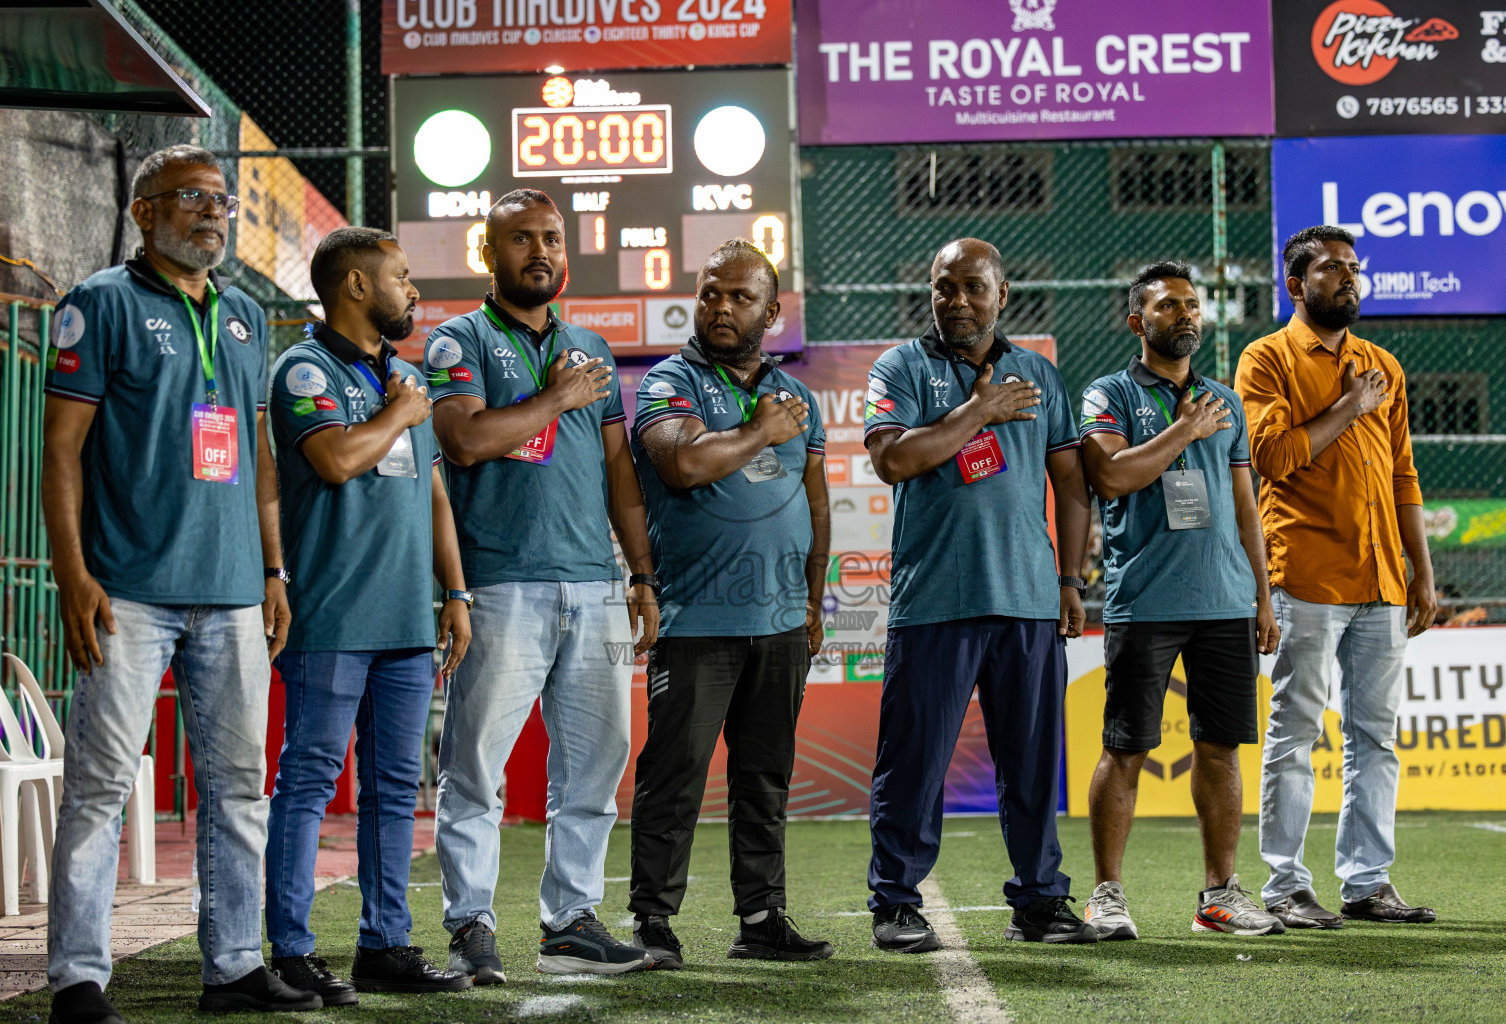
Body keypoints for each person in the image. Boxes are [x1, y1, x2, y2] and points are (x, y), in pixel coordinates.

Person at [42, 145, 318, 1022]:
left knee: (240, 786)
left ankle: (234, 968)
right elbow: (60, 450)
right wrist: (72, 571)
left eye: (222, 200)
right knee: (100, 788)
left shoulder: (243, 315)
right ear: (143, 211)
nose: (211, 212)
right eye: (191, 198)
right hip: (125, 588)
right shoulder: (99, 304)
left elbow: (261, 461)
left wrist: (273, 570)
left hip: (236, 593)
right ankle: (78, 980)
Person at [426, 188, 660, 978]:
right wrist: (556, 396)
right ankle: (470, 926)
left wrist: (641, 572)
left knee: (596, 763)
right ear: (487, 253)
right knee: (475, 768)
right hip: (498, 585)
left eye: (552, 240)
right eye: (521, 239)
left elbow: (620, 470)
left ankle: (571, 920)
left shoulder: (590, 345)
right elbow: (462, 441)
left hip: (594, 585)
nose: (540, 253)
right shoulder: (458, 340)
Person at [862, 237, 1094, 951]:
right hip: (934, 598)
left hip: (1027, 600)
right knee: (914, 763)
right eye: (943, 286)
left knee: (1031, 765)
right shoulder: (900, 365)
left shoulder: (1040, 375)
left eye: (972, 287)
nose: (956, 300)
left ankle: (1041, 902)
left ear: (1001, 295)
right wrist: (978, 413)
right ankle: (896, 903)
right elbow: (894, 458)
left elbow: (1072, 484)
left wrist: (1071, 580)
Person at [263, 227, 473, 1001]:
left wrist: (454, 593)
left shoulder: (406, 381)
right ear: (356, 286)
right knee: (310, 780)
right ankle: (289, 948)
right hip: (332, 617)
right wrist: (402, 414)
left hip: (409, 626)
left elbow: (435, 497)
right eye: (403, 278)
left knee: (392, 789)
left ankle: (384, 944)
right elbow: (336, 459)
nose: (414, 292)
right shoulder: (303, 368)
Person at [626, 239, 834, 968]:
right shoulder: (668, 381)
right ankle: (652, 920)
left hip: (780, 620)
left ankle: (762, 916)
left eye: (739, 297)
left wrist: (814, 598)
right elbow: (681, 463)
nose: (720, 306)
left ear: (771, 312)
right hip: (695, 619)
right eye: (711, 292)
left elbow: (814, 500)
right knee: (674, 775)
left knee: (764, 776)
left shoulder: (797, 396)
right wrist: (759, 431)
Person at [1236, 225, 1438, 929]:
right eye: (1331, 269)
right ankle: (1286, 885)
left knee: (1375, 738)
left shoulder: (1383, 363)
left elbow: (1404, 475)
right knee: (1295, 733)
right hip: (1307, 577)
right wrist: (1351, 407)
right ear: (1296, 284)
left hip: (1383, 579)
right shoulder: (1265, 359)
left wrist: (1422, 571)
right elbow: (1271, 458)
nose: (1348, 278)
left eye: (1354, 267)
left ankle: (1367, 881)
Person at [1077, 261, 1284, 940]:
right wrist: (1184, 433)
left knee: (1221, 749)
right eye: (1168, 306)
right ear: (1137, 321)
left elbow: (1246, 506)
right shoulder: (1108, 394)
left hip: (1225, 600)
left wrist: (1262, 597)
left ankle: (1220, 895)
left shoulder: (1224, 399)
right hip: (1146, 600)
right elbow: (1109, 475)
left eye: (1193, 305)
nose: (1186, 315)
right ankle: (1107, 895)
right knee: (1126, 748)